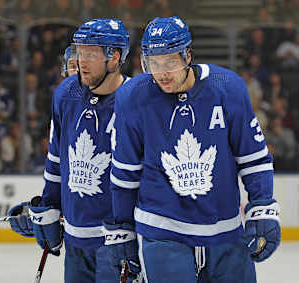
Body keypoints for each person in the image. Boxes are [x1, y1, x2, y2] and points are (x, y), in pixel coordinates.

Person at [108, 16, 281, 282]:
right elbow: (124, 174)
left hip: (225, 229)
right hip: (162, 229)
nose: (162, 73)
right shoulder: (133, 96)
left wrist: (262, 206)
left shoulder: (228, 87)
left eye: (170, 61)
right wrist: (122, 231)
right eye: (154, 63)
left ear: (188, 56)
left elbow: (253, 158)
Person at [8, 18, 136, 282]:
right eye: (79, 52)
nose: (81, 61)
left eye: (90, 54)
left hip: (117, 239)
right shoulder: (66, 93)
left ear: (114, 57)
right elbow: (56, 158)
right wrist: (48, 204)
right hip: (76, 241)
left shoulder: (137, 100)